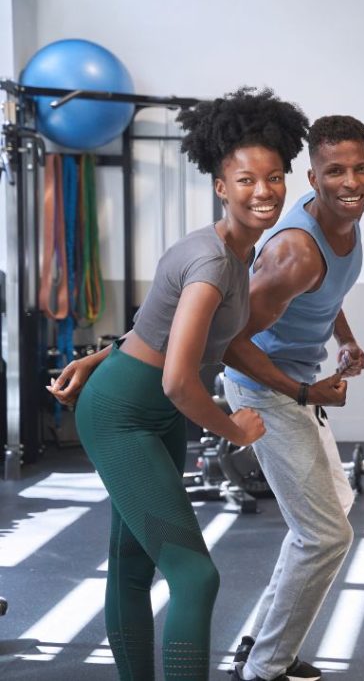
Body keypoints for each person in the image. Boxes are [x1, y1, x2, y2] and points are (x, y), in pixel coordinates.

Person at [47, 87, 308, 680]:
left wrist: (99, 359)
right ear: (221, 186)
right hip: (124, 416)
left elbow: (156, 328)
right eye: (245, 180)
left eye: (273, 178)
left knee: (133, 564)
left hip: (142, 411)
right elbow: (177, 380)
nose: (262, 190)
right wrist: (234, 429)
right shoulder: (214, 264)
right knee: (195, 576)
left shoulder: (233, 252)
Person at [220, 114, 364, 681]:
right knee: (325, 533)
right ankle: (264, 668)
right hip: (263, 388)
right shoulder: (294, 251)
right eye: (335, 171)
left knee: (332, 509)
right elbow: (230, 342)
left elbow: (324, 293)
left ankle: (263, 639)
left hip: (293, 382)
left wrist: (347, 339)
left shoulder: (346, 225)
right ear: (313, 175)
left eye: (361, 168)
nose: (351, 182)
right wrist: (306, 389)